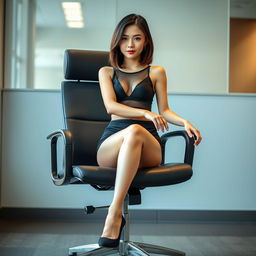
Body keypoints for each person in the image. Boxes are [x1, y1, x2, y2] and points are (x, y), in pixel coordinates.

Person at [97, 13, 202, 247]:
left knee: (136, 131)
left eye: (137, 38)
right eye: (124, 39)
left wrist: (184, 121)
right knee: (133, 129)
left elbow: (164, 110)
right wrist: (145, 113)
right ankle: (116, 213)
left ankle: (113, 214)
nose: (130, 45)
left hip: (148, 146)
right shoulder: (106, 72)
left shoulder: (156, 72)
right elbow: (110, 106)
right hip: (112, 143)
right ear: (117, 41)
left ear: (146, 41)